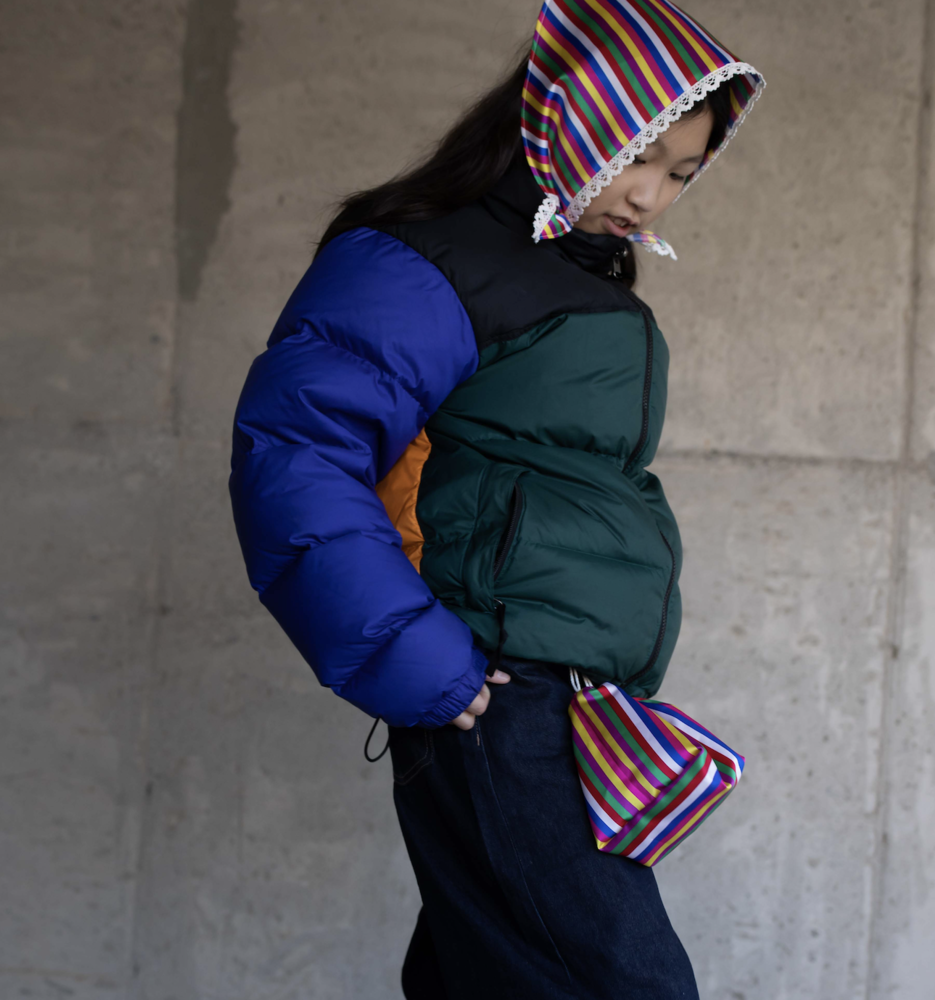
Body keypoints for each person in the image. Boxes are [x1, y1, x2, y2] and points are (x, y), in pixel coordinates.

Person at [229, 1, 764, 996]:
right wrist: (423, 662)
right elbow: (298, 459)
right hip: (500, 696)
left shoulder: (580, 277)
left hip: (568, 705)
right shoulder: (429, 261)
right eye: (639, 154)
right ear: (572, 116)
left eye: (681, 174)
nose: (649, 196)